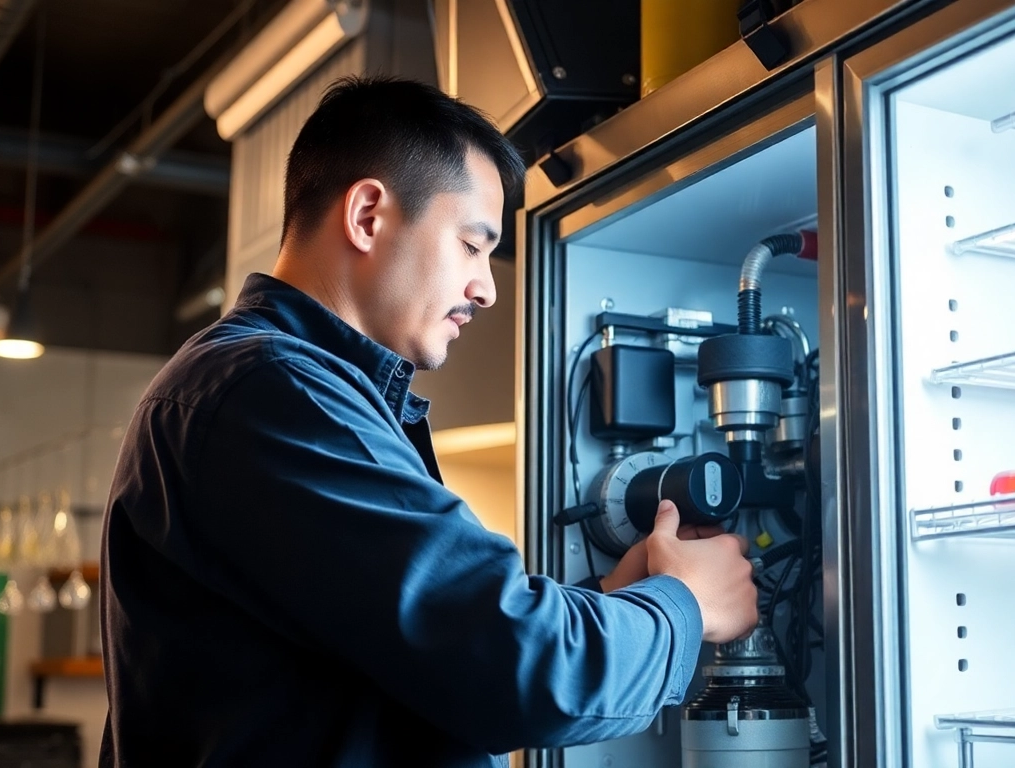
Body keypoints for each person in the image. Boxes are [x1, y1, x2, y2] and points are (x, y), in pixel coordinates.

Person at [98, 75, 759, 767]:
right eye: (474, 245)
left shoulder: (285, 391)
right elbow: (520, 673)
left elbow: (408, 664)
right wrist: (685, 604)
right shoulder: (267, 393)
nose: (489, 287)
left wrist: (615, 605)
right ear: (367, 216)